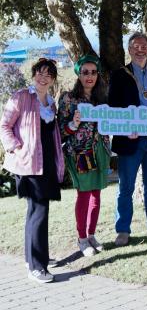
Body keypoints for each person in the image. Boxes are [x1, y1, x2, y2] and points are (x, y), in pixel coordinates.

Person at [0, 58, 65, 283]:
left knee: (34, 211)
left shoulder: (51, 103)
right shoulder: (21, 96)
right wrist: (16, 147)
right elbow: (4, 126)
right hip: (28, 164)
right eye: (39, 72)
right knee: (40, 211)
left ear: (53, 79)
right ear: (34, 74)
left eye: (48, 74)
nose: (43, 77)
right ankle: (38, 267)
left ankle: (32, 258)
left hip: (46, 163)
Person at [108, 32, 147, 246]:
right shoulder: (119, 75)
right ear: (129, 50)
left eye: (144, 46)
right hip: (130, 139)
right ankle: (123, 230)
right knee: (126, 187)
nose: (140, 49)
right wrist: (124, 127)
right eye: (136, 46)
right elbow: (114, 107)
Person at [58, 55, 111, 256]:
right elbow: (60, 131)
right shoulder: (68, 98)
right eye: (85, 72)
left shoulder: (102, 99)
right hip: (81, 152)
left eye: (93, 72)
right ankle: (81, 238)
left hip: (101, 150)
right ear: (78, 74)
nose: (89, 76)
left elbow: (114, 122)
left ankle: (91, 235)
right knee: (84, 194)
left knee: (96, 193)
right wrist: (73, 124)